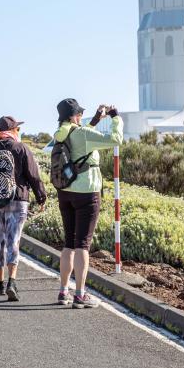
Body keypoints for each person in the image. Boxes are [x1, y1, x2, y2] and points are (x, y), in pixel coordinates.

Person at [52, 99, 123, 309]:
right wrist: (115, 117)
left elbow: (79, 136)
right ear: (74, 116)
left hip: (65, 191)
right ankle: (80, 294)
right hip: (87, 192)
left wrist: (94, 120)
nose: (81, 118)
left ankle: (63, 291)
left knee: (69, 244)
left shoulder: (59, 133)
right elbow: (115, 139)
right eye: (80, 115)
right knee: (82, 244)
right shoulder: (82, 133)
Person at [0, 116, 47, 302]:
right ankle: (12, 282)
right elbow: (33, 175)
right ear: (14, 130)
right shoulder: (20, 148)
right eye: (18, 129)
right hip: (17, 199)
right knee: (13, 240)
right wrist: (41, 197)